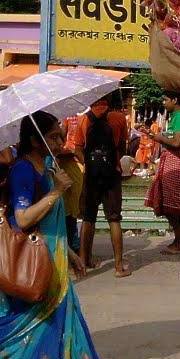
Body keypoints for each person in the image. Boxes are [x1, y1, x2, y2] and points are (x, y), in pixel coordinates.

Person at [0, 112, 111, 359]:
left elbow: (51, 223)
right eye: (53, 135)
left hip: (54, 259)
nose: (59, 140)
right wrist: (56, 191)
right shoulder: (24, 170)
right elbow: (24, 219)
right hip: (33, 262)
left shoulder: (49, 165)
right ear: (35, 139)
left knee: (56, 328)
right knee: (25, 329)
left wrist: (69, 252)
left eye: (59, 134)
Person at [75, 96, 131, 278]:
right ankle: (118, 267)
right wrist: (112, 161)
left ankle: (83, 264)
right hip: (112, 175)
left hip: (90, 176)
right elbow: (123, 147)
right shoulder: (119, 118)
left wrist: (90, 164)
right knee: (114, 219)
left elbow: (78, 149)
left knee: (88, 218)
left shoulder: (83, 119)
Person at [145, 90, 180, 255]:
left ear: (175, 100)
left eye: (166, 100)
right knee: (165, 202)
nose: (164, 103)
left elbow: (177, 142)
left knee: (173, 206)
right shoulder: (174, 118)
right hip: (169, 162)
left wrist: (158, 138)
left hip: (177, 164)